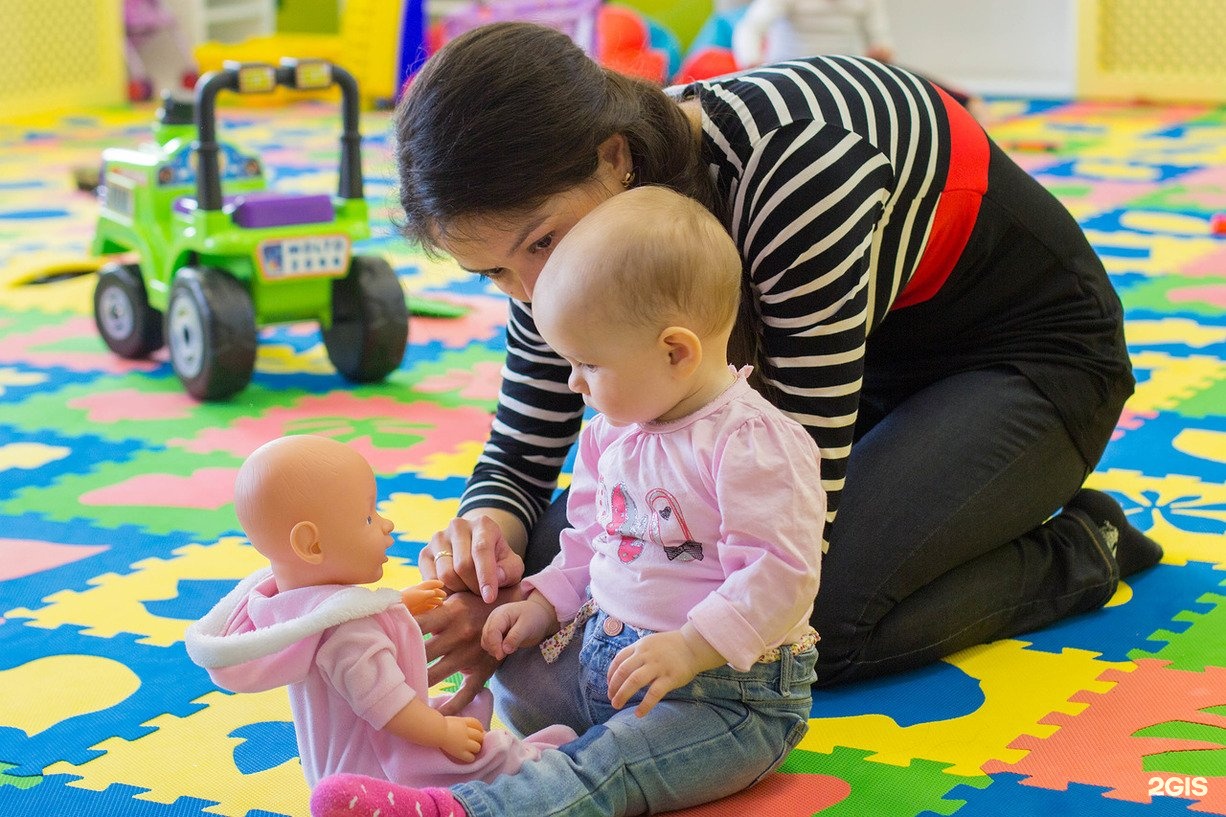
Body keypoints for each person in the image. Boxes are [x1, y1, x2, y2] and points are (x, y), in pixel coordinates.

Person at [397, 21, 1162, 727]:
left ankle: (1082, 549)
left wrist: (669, 630)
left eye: (538, 245)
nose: (531, 290)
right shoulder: (564, 231)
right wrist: (487, 550)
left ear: (616, 156)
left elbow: (796, 493)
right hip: (860, 373)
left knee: (804, 625)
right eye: (493, 273)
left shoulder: (795, 167)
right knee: (558, 557)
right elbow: (523, 451)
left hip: (1028, 360)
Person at [310, 185, 823, 817]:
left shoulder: (752, 444)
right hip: (609, 658)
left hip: (724, 698)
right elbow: (588, 541)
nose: (574, 382)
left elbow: (780, 575)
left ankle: (474, 808)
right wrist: (545, 605)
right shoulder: (613, 430)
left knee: (613, 769)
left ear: (675, 352)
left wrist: (692, 647)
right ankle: (526, 762)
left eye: (587, 364)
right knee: (502, 658)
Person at [184, 435, 574, 790]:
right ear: (311, 545)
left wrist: (399, 603)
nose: (387, 524)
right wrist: (442, 733)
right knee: (482, 755)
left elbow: (351, 614)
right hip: (380, 771)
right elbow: (392, 710)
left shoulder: (301, 611)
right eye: (369, 517)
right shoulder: (349, 637)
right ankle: (541, 772)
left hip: (343, 765)